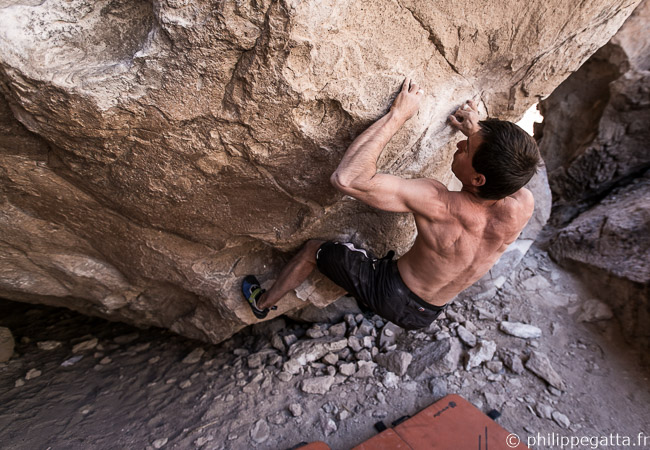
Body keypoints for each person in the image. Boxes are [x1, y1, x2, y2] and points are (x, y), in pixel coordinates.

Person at [242, 77, 540, 330]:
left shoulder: (437, 203)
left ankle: (262, 303)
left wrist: (399, 115)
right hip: (427, 315)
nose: (461, 144)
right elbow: (514, 162)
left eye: (468, 148)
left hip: (389, 292)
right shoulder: (521, 204)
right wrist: (478, 132)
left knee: (312, 251)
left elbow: (347, 179)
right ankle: (364, 297)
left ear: (478, 180)